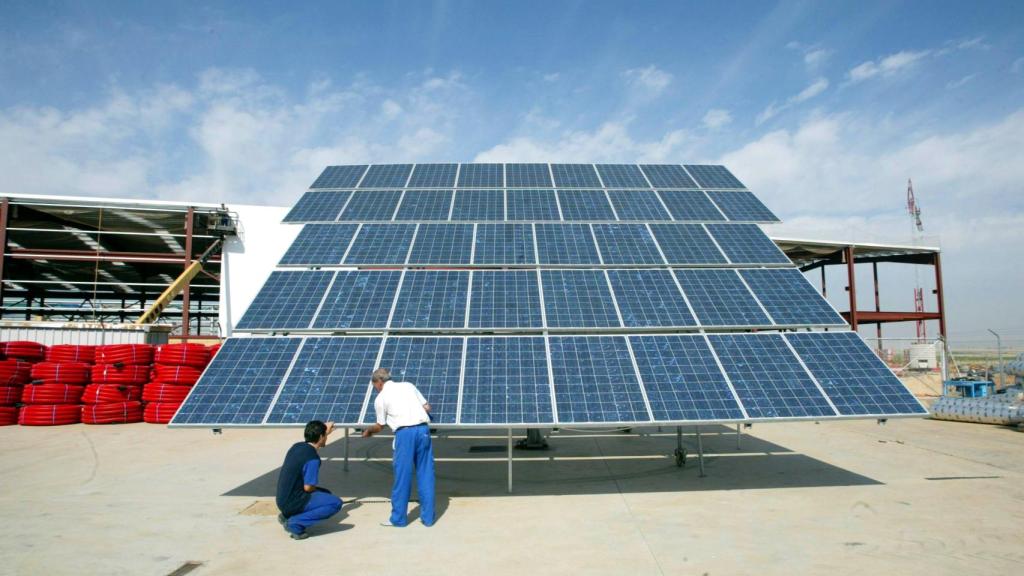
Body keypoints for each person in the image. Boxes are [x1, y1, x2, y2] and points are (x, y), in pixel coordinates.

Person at [362, 368, 436, 527]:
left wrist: (369, 431)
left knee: (403, 476)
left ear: (379, 382)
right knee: (426, 473)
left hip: (404, 434)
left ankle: (398, 519)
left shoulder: (381, 398)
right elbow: (427, 407)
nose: (376, 388)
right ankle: (428, 519)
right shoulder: (408, 385)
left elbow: (380, 425)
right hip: (423, 431)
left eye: (375, 386)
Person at [275, 420, 343, 540]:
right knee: (335, 503)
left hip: (282, 499)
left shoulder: (297, 446)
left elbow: (313, 447)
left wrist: (325, 432)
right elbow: (308, 487)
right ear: (321, 436)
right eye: (325, 435)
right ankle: (295, 523)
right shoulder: (313, 460)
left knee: (326, 494)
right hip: (294, 501)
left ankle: (287, 515)